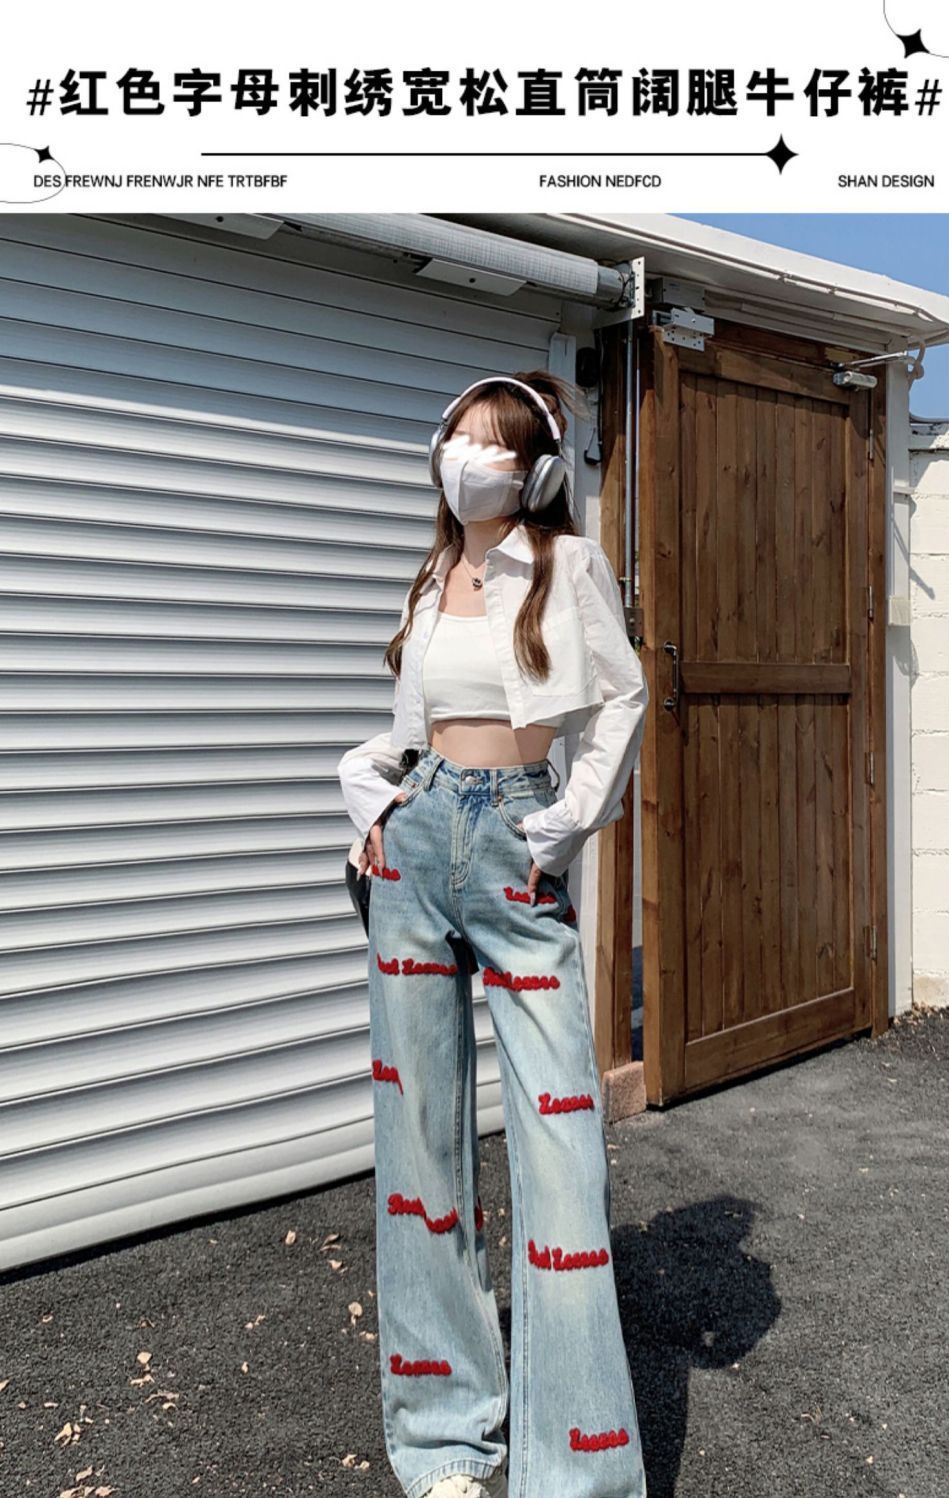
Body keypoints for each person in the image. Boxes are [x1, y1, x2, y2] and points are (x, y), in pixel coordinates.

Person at [337, 371, 650, 1498]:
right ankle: (442, 1444)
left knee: (561, 1149)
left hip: (516, 838)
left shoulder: (567, 565)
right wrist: (371, 800)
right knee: (419, 1140)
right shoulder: (432, 576)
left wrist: (562, 827)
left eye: (495, 443)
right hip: (416, 844)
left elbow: (620, 699)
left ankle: (574, 1474)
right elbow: (405, 732)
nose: (469, 456)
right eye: (458, 437)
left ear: (537, 472)